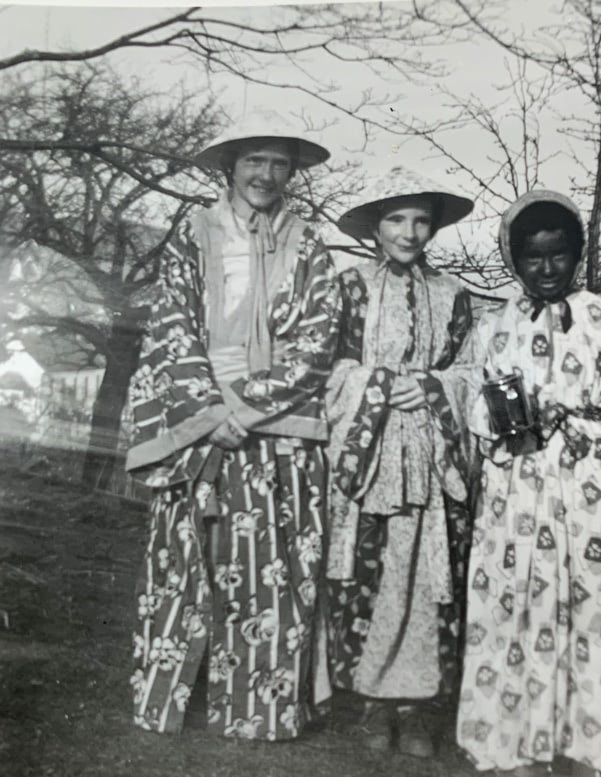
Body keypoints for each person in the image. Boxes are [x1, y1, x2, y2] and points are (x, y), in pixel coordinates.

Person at [124, 109, 341, 741]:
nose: (267, 175)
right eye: (255, 160)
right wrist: (210, 411)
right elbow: (171, 326)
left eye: (279, 163)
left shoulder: (310, 244)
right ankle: (171, 696)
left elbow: (316, 340)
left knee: (271, 568)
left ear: (292, 172)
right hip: (202, 422)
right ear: (231, 165)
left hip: (277, 426)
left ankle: (258, 709)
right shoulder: (195, 234)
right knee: (185, 561)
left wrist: (246, 410)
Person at [456, 190, 601, 777]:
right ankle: (516, 738)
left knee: (586, 604)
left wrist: (575, 420)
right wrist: (511, 417)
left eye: (559, 255)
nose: (547, 268)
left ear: (577, 254)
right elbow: (477, 413)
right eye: (533, 258)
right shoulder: (495, 325)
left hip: (585, 483)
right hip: (520, 485)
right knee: (518, 605)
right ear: (515, 260)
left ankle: (586, 743)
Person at [317, 166, 476, 758]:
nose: (409, 232)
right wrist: (380, 384)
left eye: (420, 220)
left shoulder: (454, 293)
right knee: (371, 567)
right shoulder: (351, 286)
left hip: (431, 454)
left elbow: (471, 369)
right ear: (375, 228)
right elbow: (329, 366)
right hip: (372, 450)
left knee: (425, 572)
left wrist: (434, 387)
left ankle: (415, 708)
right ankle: (371, 702)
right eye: (396, 219)